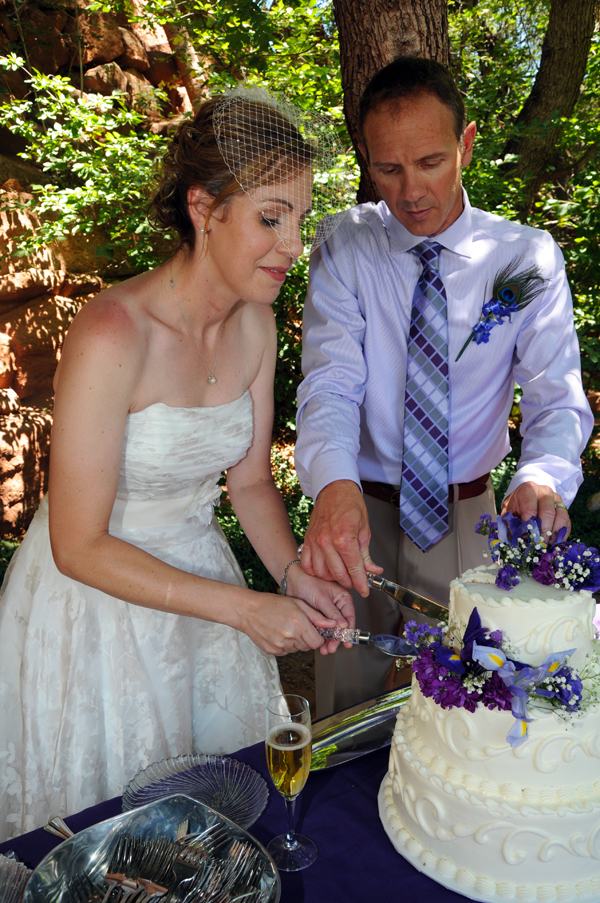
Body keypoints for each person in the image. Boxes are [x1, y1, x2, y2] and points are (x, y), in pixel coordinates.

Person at [0, 92, 354, 840]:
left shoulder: (257, 324)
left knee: (209, 826)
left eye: (299, 218)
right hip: (93, 604)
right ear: (205, 208)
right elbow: (78, 544)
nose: (294, 244)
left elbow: (251, 480)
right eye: (270, 217)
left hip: (202, 586)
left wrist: (294, 577)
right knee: (114, 832)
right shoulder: (111, 331)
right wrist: (246, 607)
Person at [295, 57, 594, 717]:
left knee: (475, 712)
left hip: (470, 517)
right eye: (388, 169)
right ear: (366, 159)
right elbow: (332, 381)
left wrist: (542, 477)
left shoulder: (527, 257)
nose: (411, 193)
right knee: (343, 712)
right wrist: (333, 485)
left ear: (466, 144)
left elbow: (554, 397)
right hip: (356, 513)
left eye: (430, 161)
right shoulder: (344, 245)